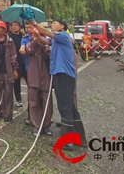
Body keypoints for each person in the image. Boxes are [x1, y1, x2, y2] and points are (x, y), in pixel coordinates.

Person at [33, 19, 86, 151]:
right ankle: (80, 138)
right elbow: (46, 40)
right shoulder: (56, 39)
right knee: (70, 107)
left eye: (55, 23)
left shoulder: (63, 35)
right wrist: (37, 35)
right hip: (59, 75)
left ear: (62, 26)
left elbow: (49, 34)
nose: (52, 25)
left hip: (64, 76)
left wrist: (35, 24)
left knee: (65, 108)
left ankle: (67, 142)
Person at [20, 20, 53, 136]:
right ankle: (36, 126)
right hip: (33, 76)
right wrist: (35, 43)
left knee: (47, 102)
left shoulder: (46, 45)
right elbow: (28, 50)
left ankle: (46, 125)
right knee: (34, 102)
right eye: (33, 35)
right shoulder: (29, 44)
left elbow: (48, 54)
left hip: (45, 77)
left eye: (36, 35)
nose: (34, 37)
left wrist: (43, 46)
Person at [9, 20, 27, 107]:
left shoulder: (23, 36)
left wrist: (24, 34)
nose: (14, 26)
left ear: (20, 27)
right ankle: (18, 99)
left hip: (24, 60)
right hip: (15, 61)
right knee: (16, 81)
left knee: (28, 79)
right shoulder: (9, 36)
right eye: (13, 25)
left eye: (16, 25)